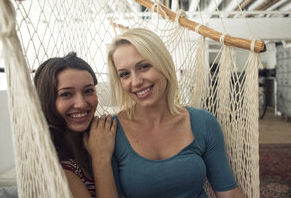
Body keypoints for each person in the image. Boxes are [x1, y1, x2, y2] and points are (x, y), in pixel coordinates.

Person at [107, 28, 245, 198]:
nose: (135, 82)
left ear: (163, 64)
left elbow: (228, 192)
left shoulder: (203, 122)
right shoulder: (111, 131)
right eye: (125, 74)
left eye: (144, 66)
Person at [34, 52, 118, 198]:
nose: (81, 104)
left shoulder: (99, 135)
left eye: (88, 91)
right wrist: (100, 158)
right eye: (66, 94)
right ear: (47, 100)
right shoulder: (53, 165)